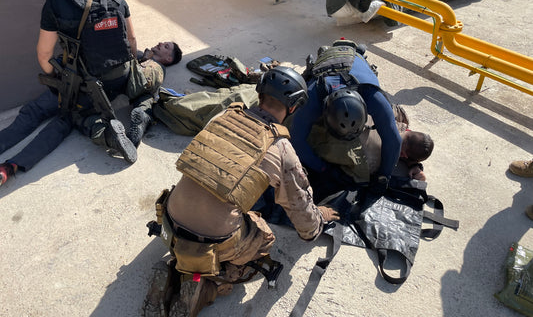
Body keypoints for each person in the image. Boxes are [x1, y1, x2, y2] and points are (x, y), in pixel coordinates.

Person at [143, 66, 339, 317]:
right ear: (293, 108)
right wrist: (320, 217)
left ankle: (174, 271)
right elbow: (303, 218)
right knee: (264, 238)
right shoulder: (281, 148)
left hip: (171, 219)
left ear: (259, 94)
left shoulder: (223, 115)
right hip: (213, 240)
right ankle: (206, 287)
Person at [0, 41, 181, 186]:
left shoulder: (156, 68)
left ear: (169, 58)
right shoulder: (139, 54)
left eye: (166, 46)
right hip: (88, 91)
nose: (160, 43)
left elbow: (138, 86)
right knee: (59, 121)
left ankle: (10, 167)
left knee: (52, 117)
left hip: (82, 86)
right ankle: (9, 168)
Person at [35, 0, 138, 166]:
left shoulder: (55, 3)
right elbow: (132, 38)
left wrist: (58, 83)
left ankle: (107, 135)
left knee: (75, 115)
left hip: (89, 85)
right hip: (122, 76)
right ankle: (141, 107)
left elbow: (44, 55)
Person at [290, 38, 402, 192]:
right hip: (328, 63)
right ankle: (328, 50)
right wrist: (323, 168)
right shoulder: (312, 96)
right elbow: (296, 140)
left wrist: (384, 176)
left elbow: (394, 140)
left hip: (354, 58)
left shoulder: (373, 95)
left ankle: (353, 50)